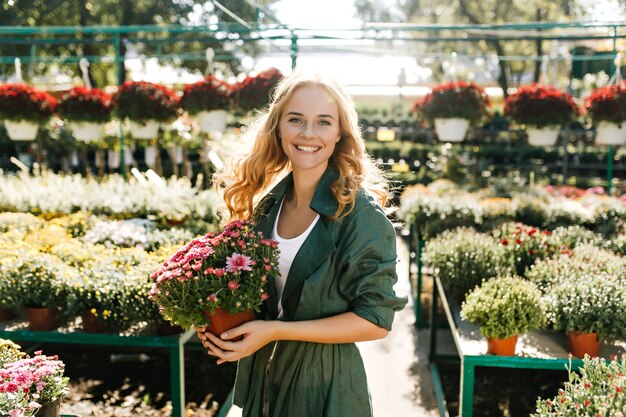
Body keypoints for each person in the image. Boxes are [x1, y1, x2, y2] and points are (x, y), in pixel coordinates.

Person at [196, 72, 407, 417]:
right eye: (296, 120)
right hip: (263, 384)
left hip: (324, 389)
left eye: (323, 122)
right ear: (279, 128)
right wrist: (221, 329)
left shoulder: (360, 216)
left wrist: (275, 330)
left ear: (339, 134)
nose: (308, 134)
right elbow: (256, 298)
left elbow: (376, 320)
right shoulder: (267, 206)